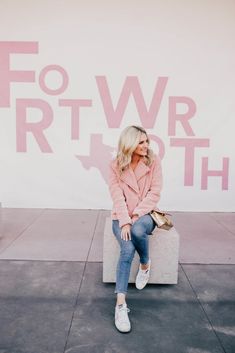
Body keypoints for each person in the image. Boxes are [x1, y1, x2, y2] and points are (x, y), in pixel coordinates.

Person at [108, 125, 163, 333]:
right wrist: (124, 221)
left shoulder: (153, 160)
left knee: (139, 231)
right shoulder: (115, 165)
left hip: (145, 214)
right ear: (129, 143)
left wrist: (136, 216)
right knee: (127, 249)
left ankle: (145, 263)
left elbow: (155, 193)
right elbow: (116, 196)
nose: (146, 146)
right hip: (121, 217)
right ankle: (120, 306)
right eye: (141, 142)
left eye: (147, 141)